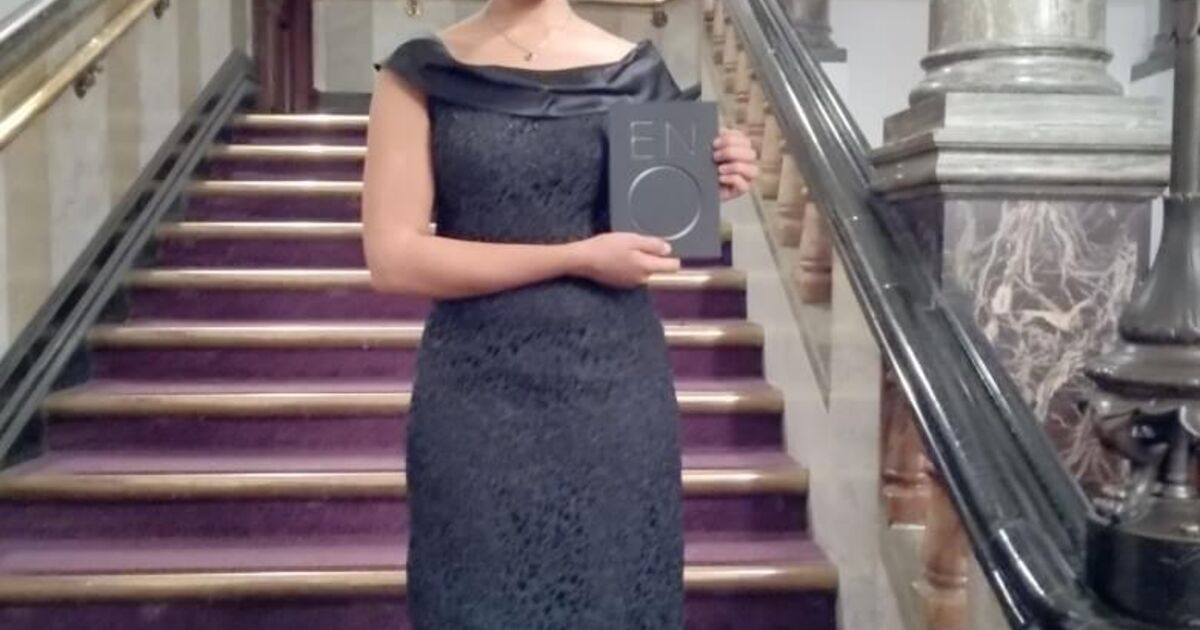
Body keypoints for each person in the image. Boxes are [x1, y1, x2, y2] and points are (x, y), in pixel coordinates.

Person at [361, 1, 759, 627]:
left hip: (614, 391)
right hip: (475, 395)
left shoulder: (635, 72)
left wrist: (713, 177)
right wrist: (575, 257)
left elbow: (656, 225)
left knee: (613, 595)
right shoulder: (421, 70)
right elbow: (394, 259)